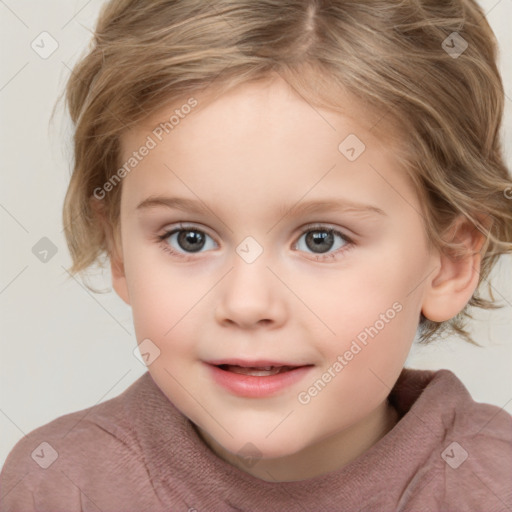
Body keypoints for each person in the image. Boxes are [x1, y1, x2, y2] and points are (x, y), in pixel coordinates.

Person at [1, 0, 511, 510]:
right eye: (189, 238)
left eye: (321, 240)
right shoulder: (61, 487)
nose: (246, 304)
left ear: (450, 260)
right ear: (119, 253)